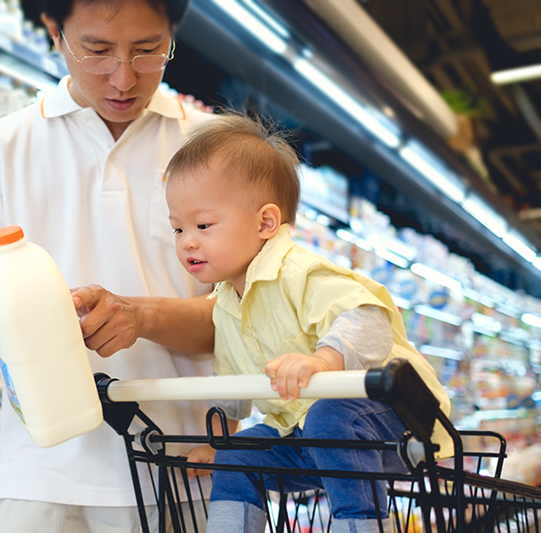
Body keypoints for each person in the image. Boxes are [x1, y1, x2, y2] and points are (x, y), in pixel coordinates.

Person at [0, 0, 226, 531]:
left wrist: (140, 316)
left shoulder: (215, 148)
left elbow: (256, 319)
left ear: (172, 36)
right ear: (55, 32)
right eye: (97, 50)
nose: (123, 77)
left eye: (148, 51)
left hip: (183, 476)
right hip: (42, 480)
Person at [165, 113, 453, 533]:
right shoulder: (226, 304)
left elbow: (368, 318)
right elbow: (231, 383)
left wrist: (323, 361)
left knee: (327, 416)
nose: (187, 241)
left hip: (395, 424)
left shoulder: (298, 272)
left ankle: (362, 526)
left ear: (265, 222)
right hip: (312, 441)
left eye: (203, 225)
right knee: (241, 449)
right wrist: (218, 444)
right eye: (177, 228)